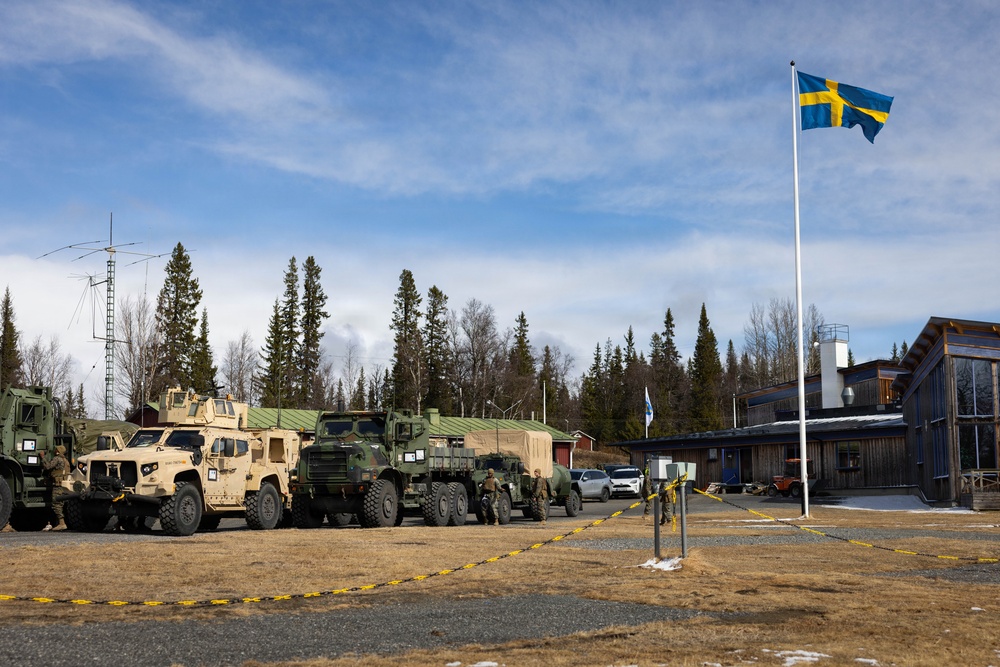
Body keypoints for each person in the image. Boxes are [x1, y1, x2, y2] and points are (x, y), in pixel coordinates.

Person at [41, 445, 71, 531]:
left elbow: (47, 466)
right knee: (60, 504)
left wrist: (43, 457)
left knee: (56, 504)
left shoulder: (57, 459)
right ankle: (58, 523)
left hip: (58, 485)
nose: (54, 451)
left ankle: (62, 523)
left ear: (58, 451)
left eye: (56, 449)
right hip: (63, 485)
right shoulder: (66, 461)